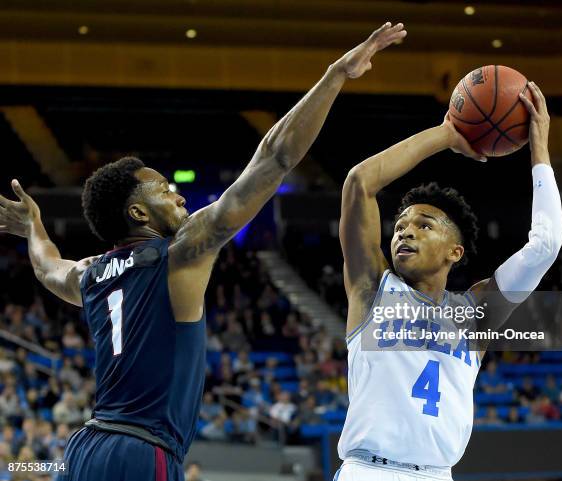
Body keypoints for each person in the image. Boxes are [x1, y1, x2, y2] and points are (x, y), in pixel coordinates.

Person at [0, 22, 407, 481]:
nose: (176, 193)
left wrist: (33, 226)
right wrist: (335, 76)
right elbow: (274, 158)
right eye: (163, 189)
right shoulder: (180, 251)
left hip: (86, 448)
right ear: (138, 214)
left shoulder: (92, 275)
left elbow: (47, 267)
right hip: (141, 449)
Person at [335, 81, 562, 481]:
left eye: (424, 226)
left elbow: (546, 244)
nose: (405, 232)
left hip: (439, 474)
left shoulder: (477, 315)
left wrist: (539, 151)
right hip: (368, 470)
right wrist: (446, 134)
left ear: (454, 252)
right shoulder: (372, 288)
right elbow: (359, 183)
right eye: (401, 225)